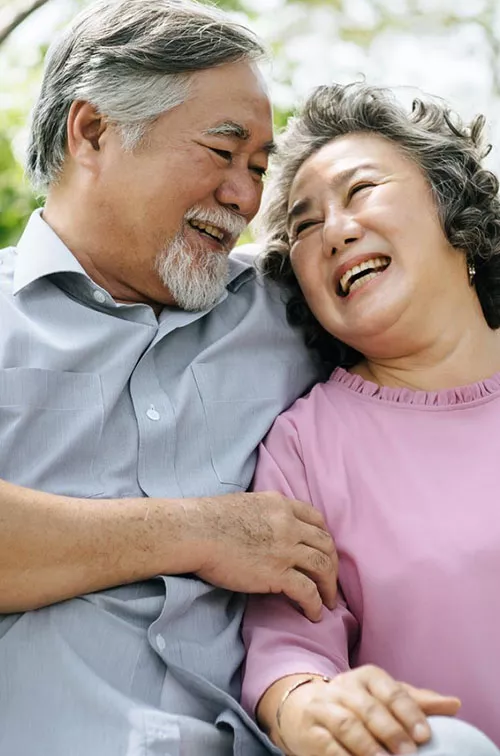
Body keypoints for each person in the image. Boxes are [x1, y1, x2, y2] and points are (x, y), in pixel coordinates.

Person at [0, 1, 339, 754]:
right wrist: (200, 531)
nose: (247, 199)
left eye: (258, 169)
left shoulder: (297, 309)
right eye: (222, 152)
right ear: (92, 132)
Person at [241, 82, 500, 756]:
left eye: (361, 192)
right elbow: (289, 652)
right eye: (303, 225)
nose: (335, 229)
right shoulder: (306, 445)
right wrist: (312, 704)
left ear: (454, 210)